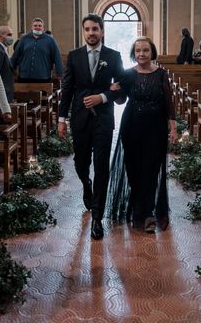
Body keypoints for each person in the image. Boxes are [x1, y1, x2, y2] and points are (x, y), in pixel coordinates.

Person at [57, 14, 124, 240]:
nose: (91, 33)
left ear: (102, 31)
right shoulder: (74, 56)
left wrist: (103, 97)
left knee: (102, 166)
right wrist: (61, 119)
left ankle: (97, 217)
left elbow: (121, 89)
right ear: (83, 32)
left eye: (95, 29)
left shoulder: (113, 56)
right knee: (81, 163)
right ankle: (86, 184)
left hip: (104, 119)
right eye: (87, 29)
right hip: (80, 118)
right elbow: (66, 89)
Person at [106, 37, 177, 233]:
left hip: (156, 128)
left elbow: (169, 103)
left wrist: (173, 128)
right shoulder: (128, 75)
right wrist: (114, 89)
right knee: (133, 168)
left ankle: (147, 214)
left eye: (145, 50)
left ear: (152, 52)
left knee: (152, 169)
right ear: (133, 53)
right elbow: (120, 101)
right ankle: (138, 207)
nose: (141, 54)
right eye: (138, 51)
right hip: (132, 126)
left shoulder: (161, 74)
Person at [11, 18, 63, 83]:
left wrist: (59, 74)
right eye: (35, 25)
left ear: (43, 28)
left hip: (43, 76)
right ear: (32, 28)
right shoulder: (24, 39)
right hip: (24, 76)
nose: (37, 27)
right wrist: (12, 69)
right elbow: (16, 55)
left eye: (40, 26)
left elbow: (57, 57)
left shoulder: (50, 40)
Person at [0, 25, 15, 104]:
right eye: (9, 35)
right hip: (3, 92)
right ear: (1, 36)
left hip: (6, 92)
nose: (11, 37)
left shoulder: (3, 50)